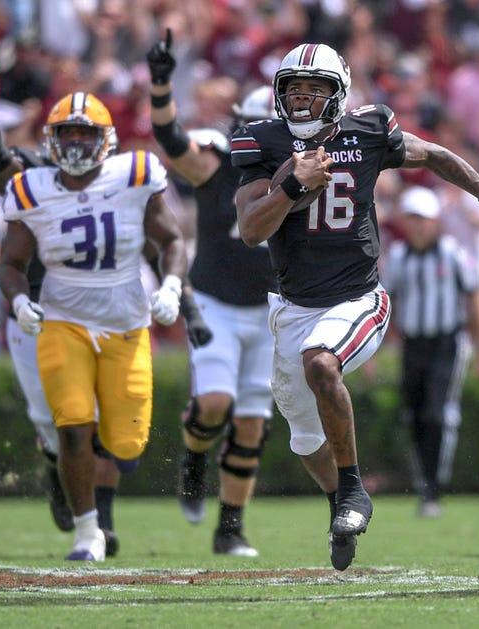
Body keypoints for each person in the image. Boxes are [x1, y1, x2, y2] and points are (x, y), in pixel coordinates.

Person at [231, 43, 479, 571]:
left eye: (315, 90)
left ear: (338, 94)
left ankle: (353, 491)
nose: (302, 100)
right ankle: (340, 506)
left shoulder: (368, 129)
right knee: (305, 438)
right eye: (294, 90)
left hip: (357, 296)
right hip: (293, 305)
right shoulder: (263, 140)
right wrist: (292, 185)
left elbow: (436, 155)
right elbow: (252, 229)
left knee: (322, 364)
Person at [0, 90, 188, 562]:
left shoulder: (136, 174)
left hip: (125, 322)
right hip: (64, 322)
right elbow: (12, 262)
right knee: (72, 429)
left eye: (87, 132)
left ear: (107, 139)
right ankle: (88, 533)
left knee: (126, 446)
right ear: (52, 139)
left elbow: (170, 239)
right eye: (69, 133)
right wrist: (19, 298)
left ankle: (99, 467)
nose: (78, 142)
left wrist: (171, 288)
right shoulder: (33, 187)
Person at [147, 30, 276, 557]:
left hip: (271, 309)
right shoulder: (220, 163)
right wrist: (161, 86)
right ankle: (195, 457)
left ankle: (231, 527)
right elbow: (173, 141)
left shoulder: (311, 173)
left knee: (251, 424)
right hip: (218, 303)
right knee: (216, 404)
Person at [382, 186, 479, 518]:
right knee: (414, 414)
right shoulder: (399, 257)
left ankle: (433, 485)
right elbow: (388, 302)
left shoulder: (452, 253)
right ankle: (424, 480)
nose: (417, 227)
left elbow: (475, 298)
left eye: (423, 220)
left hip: (446, 343)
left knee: (436, 412)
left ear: (435, 222)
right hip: (412, 344)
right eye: (412, 219)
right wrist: (372, 351)